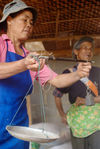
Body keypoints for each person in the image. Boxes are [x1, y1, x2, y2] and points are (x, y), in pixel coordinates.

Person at [0, 0, 91, 148]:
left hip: (18, 127)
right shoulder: (2, 45)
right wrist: (23, 64)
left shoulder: (31, 57)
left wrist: (78, 73)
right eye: (25, 19)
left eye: (31, 22)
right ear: (9, 20)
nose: (29, 24)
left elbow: (57, 80)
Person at [53, 36, 100, 149]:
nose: (88, 51)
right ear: (76, 51)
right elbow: (57, 95)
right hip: (77, 122)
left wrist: (86, 100)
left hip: (96, 122)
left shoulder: (98, 72)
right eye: (85, 48)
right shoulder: (69, 73)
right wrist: (62, 114)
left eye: (90, 48)